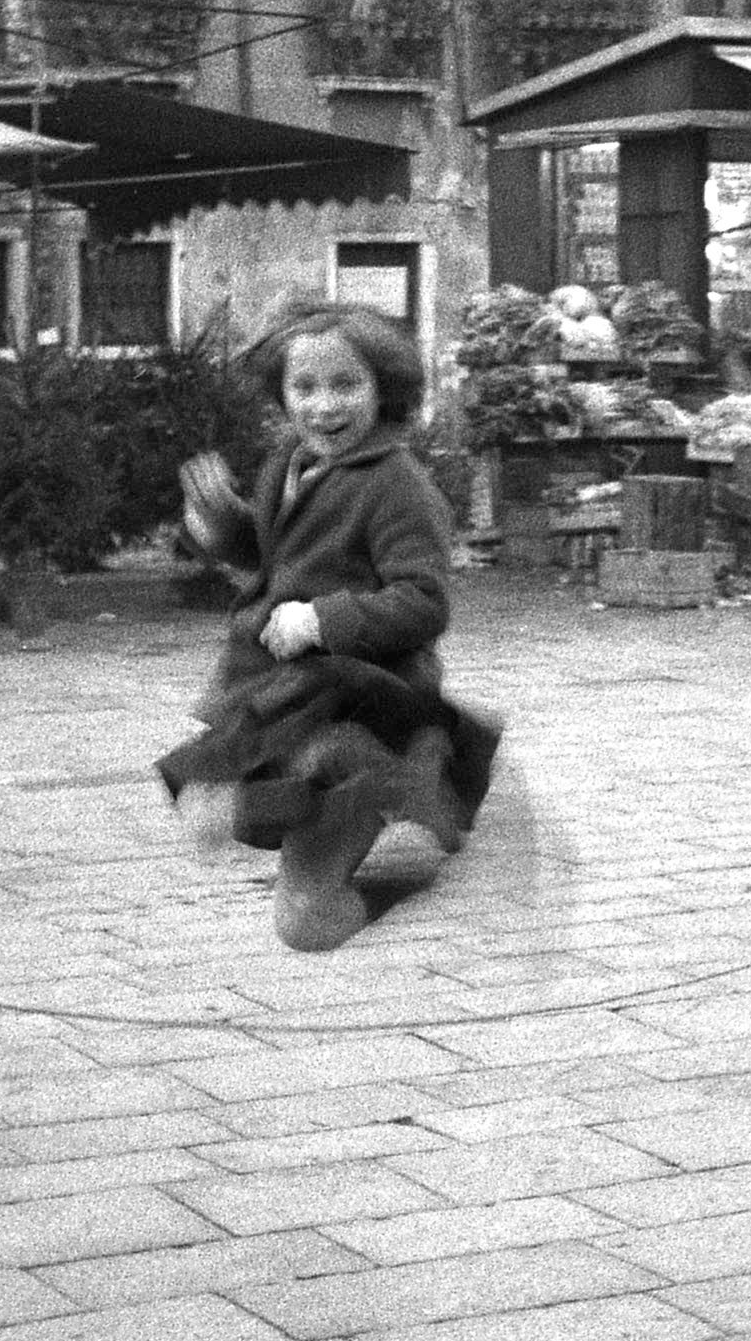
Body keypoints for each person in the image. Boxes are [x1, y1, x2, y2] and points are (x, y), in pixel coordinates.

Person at [158, 303, 499, 953]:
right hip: (287, 675)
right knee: (302, 903)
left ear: (384, 388)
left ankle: (412, 787)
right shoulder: (289, 461)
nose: (323, 406)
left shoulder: (396, 486)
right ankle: (392, 794)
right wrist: (218, 526)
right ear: (281, 395)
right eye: (304, 388)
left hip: (360, 684)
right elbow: (277, 556)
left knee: (279, 777)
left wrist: (321, 619)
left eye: (345, 385)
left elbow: (425, 602)